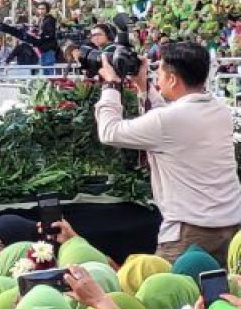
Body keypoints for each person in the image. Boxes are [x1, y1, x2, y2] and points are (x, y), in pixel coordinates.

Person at [96, 42, 241, 263]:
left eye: (159, 72)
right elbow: (169, 123)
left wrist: (111, 86)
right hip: (230, 226)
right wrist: (144, 87)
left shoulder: (167, 121)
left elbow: (109, 132)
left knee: (169, 295)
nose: (156, 77)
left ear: (173, 79)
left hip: (189, 233)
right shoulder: (219, 110)